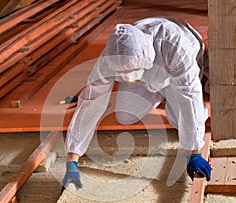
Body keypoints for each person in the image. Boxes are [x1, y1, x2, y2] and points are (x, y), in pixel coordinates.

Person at [62, 17, 211, 191]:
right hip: (144, 77)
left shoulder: (174, 46)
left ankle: (167, 95)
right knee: (125, 116)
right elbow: (91, 102)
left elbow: (189, 95)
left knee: (185, 119)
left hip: (174, 77)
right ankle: (158, 94)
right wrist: (72, 159)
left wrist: (194, 151)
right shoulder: (110, 58)